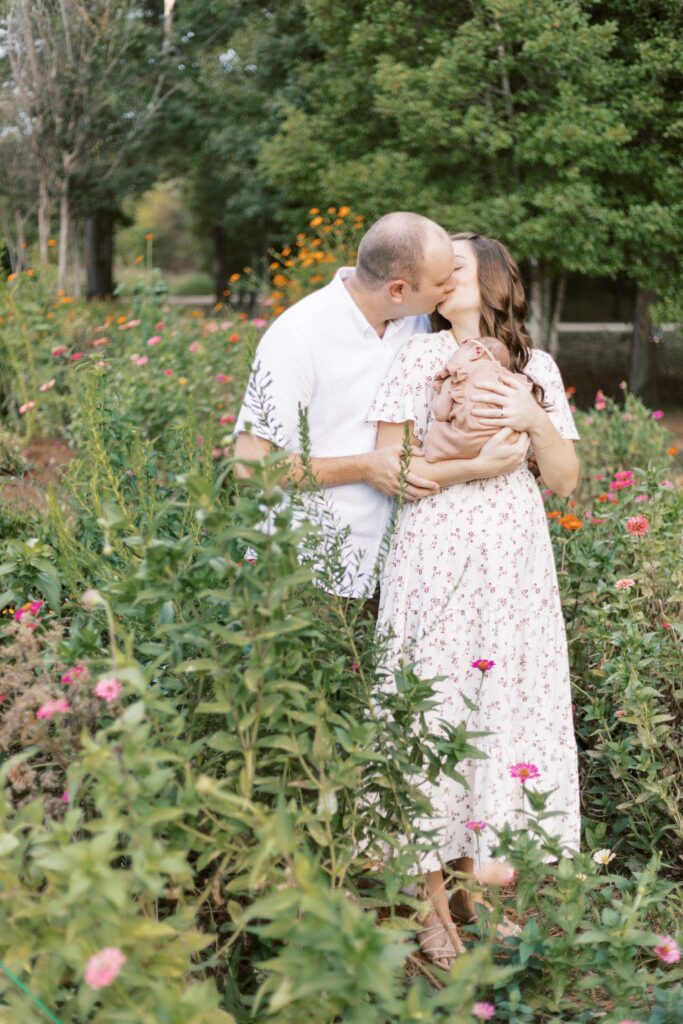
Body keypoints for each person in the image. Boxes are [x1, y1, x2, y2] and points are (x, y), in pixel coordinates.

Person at [368, 232, 581, 968]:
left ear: (490, 280)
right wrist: (469, 467)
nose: (438, 275)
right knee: (433, 706)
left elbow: (562, 480)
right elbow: (390, 465)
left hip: (513, 562)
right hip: (434, 551)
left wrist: (533, 421)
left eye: (453, 265)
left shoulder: (536, 367)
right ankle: (434, 913)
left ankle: (486, 895)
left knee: (502, 711)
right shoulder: (414, 358)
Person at [234, 214, 529, 602]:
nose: (449, 288)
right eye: (442, 282)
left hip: (397, 571)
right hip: (306, 569)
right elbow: (250, 466)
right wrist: (364, 467)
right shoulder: (297, 337)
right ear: (398, 289)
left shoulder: (418, 326)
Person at [423, 335, 539, 462]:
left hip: (465, 443)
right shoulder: (510, 379)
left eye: (456, 353)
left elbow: (441, 413)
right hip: (504, 443)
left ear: (476, 352)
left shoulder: (459, 373)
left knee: (435, 436)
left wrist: (438, 392)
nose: (451, 359)